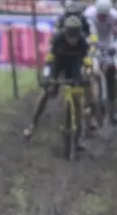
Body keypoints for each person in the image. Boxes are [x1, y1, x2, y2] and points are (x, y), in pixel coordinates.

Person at [24, 15, 93, 146]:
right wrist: (46, 77)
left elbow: (87, 61)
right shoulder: (57, 39)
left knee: (78, 96)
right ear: (65, 33)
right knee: (47, 92)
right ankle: (33, 124)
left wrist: (87, 74)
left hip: (74, 65)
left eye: (75, 37)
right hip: (58, 64)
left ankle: (78, 136)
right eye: (70, 36)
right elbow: (50, 59)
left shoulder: (83, 42)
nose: (72, 40)